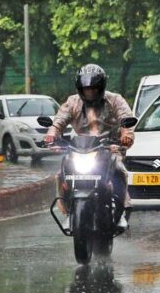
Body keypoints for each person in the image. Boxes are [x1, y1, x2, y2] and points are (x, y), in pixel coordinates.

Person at [45, 64, 136, 232]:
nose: (91, 93)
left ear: (101, 88)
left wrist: (127, 134)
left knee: (120, 170)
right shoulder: (73, 102)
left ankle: (122, 208)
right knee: (60, 173)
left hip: (111, 146)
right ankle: (68, 212)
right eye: (87, 90)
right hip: (80, 148)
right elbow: (60, 119)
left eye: (94, 89)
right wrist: (52, 133)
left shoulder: (115, 99)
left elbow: (126, 117)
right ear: (80, 89)